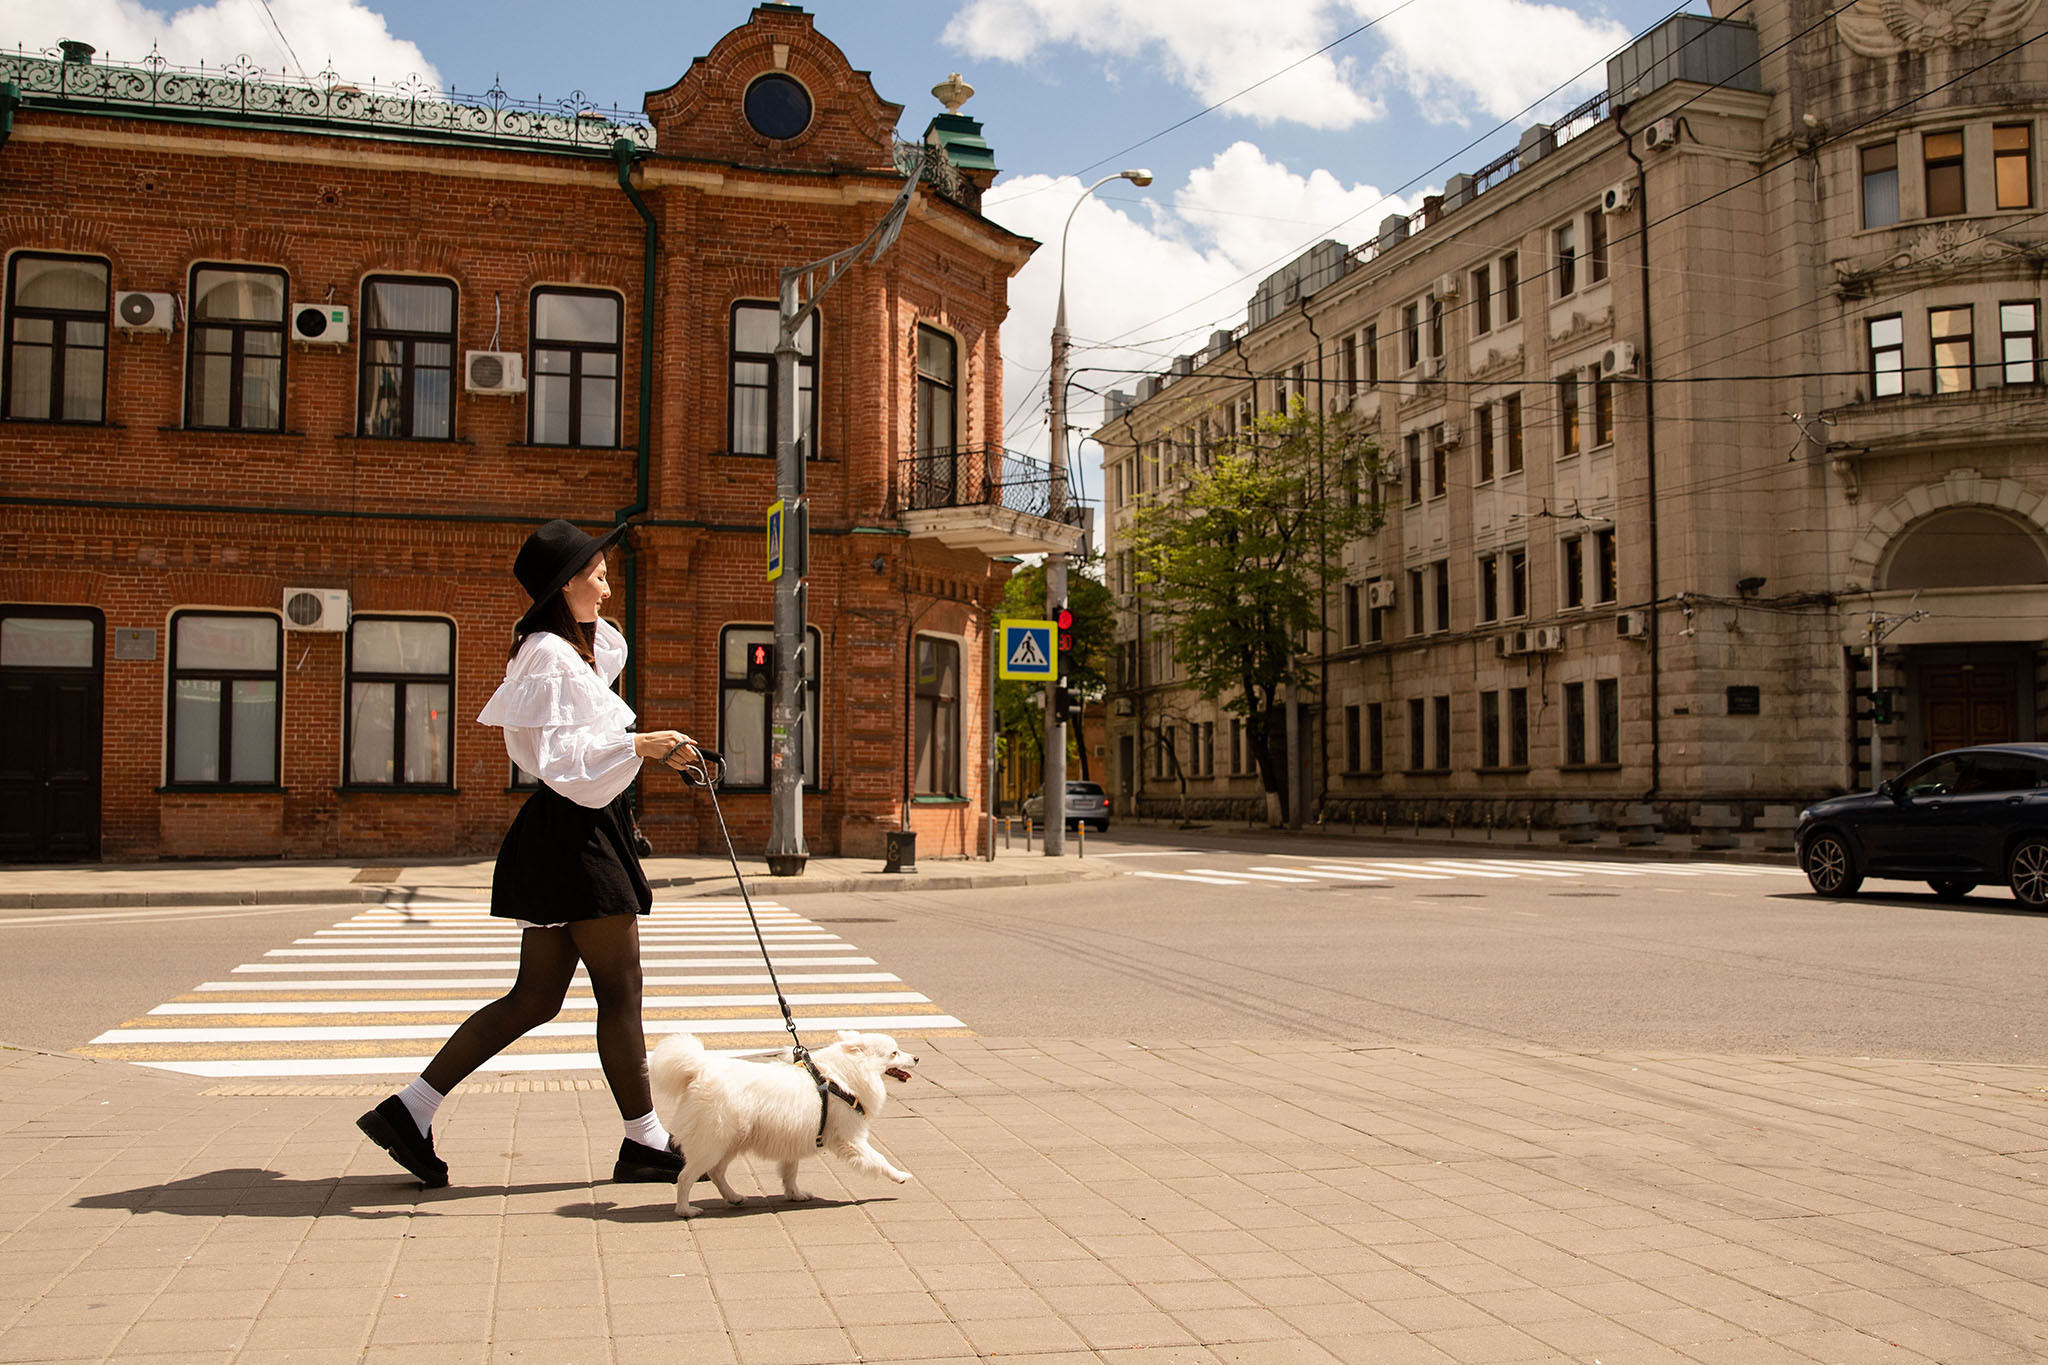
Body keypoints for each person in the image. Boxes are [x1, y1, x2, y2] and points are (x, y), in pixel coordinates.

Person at [357, 519, 698, 1188]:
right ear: (563, 583)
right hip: (575, 833)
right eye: (596, 575)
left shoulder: (565, 649)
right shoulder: (546, 653)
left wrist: (656, 747)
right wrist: (640, 745)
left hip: (565, 832)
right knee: (619, 989)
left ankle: (409, 1109)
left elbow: (601, 674)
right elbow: (562, 763)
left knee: (536, 996)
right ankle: (646, 1142)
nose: (606, 586)